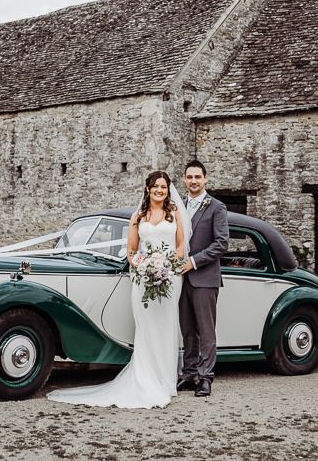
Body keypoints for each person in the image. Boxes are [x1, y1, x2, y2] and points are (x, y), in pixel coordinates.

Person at [47, 170, 188, 409]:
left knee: (166, 327)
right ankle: (146, 380)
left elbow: (181, 245)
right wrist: (143, 267)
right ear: (148, 189)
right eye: (156, 187)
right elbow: (132, 251)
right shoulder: (138, 216)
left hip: (170, 278)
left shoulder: (174, 214)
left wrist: (167, 266)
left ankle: (166, 383)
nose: (160, 191)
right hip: (143, 280)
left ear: (168, 190)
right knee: (146, 329)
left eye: (164, 187)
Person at [176, 159, 229, 397]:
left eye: (198, 177)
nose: (194, 181)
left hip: (204, 277)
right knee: (187, 329)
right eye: (190, 177)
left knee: (206, 330)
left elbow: (221, 243)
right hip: (181, 279)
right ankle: (188, 373)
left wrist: (193, 262)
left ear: (205, 179)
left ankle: (205, 376)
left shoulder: (216, 207)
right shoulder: (177, 206)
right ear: (184, 179)